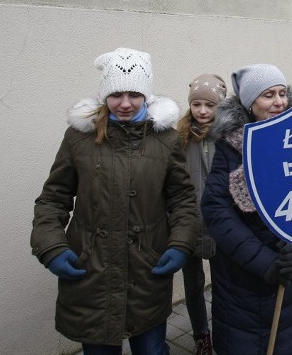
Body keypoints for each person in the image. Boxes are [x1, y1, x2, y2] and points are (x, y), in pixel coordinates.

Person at [31, 47, 198, 354]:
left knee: (151, 349)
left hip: (147, 271)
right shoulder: (78, 138)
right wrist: (51, 245)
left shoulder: (166, 140)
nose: (125, 103)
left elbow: (183, 199)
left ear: (146, 95)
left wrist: (181, 243)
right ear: (103, 94)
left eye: (134, 94)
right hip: (91, 271)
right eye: (116, 94)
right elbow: (53, 198)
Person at [201, 64, 292, 355]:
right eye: (268, 95)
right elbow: (216, 211)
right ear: (250, 104)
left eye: (282, 93)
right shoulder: (229, 147)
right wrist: (264, 262)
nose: (279, 102)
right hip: (244, 288)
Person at [176, 73, 227, 355]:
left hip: (221, 228)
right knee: (193, 287)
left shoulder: (230, 137)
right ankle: (201, 337)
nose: (203, 111)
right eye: (197, 104)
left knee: (222, 286)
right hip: (189, 226)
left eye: (210, 105)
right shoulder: (179, 138)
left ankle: (223, 335)